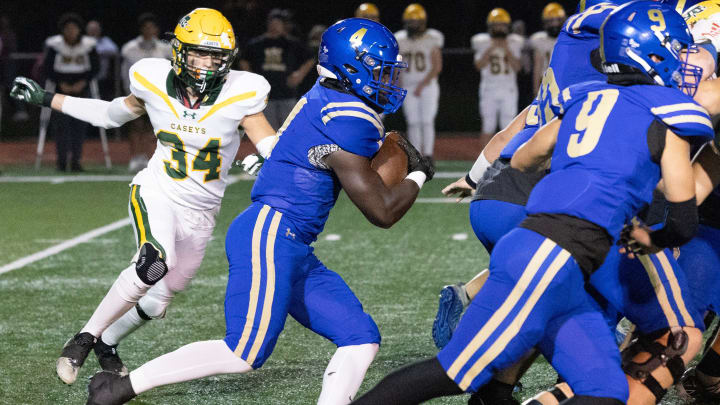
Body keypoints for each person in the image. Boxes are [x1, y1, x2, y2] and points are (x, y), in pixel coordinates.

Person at [351, 2, 713, 404]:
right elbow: (682, 220)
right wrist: (648, 235)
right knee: (458, 370)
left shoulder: (585, 98)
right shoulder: (669, 115)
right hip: (554, 252)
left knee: (604, 389)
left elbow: (523, 156)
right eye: (677, 51)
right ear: (653, 54)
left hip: (560, 261)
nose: (683, 62)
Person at [80, 17, 434, 405]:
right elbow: (382, 211)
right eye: (380, 71)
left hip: (293, 241)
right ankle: (119, 387)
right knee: (244, 352)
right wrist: (417, 172)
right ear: (353, 67)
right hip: (272, 232)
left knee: (360, 337)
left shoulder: (329, 96)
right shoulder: (348, 117)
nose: (388, 80)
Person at [11, 7, 277, 386]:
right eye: (200, 53)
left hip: (202, 210)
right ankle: (83, 339)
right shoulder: (151, 79)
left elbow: (270, 144)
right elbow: (109, 114)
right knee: (154, 261)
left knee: (157, 301)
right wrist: (47, 98)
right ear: (180, 52)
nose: (207, 64)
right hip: (158, 191)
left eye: (216, 56)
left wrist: (264, 159)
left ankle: (108, 343)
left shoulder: (243, 90)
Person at [239, 8, 315, 130]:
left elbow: (311, 58)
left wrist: (299, 75)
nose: (275, 26)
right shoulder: (257, 43)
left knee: (290, 129)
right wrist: (252, 78)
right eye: (272, 23)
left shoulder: (291, 43)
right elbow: (243, 59)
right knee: (268, 131)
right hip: (265, 95)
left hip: (287, 92)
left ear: (283, 25)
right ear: (268, 24)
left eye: (278, 23)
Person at [43, 13, 99, 172]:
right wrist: (61, 83)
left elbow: (95, 68)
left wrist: (83, 82)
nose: (71, 32)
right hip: (60, 90)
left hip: (81, 89)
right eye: (67, 29)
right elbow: (47, 68)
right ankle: (61, 162)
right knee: (61, 126)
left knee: (79, 126)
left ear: (79, 30)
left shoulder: (88, 45)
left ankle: (76, 161)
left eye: (74, 29)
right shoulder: (55, 45)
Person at [120, 12, 172, 173]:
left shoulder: (165, 49)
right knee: (136, 127)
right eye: (145, 27)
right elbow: (124, 73)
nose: (149, 30)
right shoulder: (130, 49)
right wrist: (127, 92)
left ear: (156, 29)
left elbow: (172, 72)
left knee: (153, 128)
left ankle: (151, 159)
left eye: (152, 27)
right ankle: (135, 158)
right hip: (136, 94)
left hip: (159, 96)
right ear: (141, 29)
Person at [395, 3, 443, 161]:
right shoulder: (400, 39)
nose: (413, 24)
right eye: (411, 21)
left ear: (423, 22)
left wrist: (422, 84)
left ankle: (428, 155)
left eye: (416, 21)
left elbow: (437, 66)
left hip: (428, 85)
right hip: (408, 85)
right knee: (413, 122)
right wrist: (399, 84)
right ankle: (416, 155)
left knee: (427, 121)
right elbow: (398, 67)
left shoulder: (432, 38)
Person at [472, 8, 524, 149]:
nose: (499, 28)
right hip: (489, 89)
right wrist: (491, 48)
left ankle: (506, 162)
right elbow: (479, 65)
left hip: (508, 89)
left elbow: (518, 67)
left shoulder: (514, 42)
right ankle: (483, 162)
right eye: (496, 25)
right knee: (488, 126)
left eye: (502, 25)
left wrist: (506, 49)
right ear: (490, 26)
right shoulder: (483, 41)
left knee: (509, 127)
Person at [529, 3, 565, 96]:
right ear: (545, 23)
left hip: (566, 83)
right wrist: (535, 90)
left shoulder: (569, 38)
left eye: (557, 20)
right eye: (551, 21)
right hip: (546, 84)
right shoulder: (539, 40)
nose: (554, 24)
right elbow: (537, 66)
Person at [85, 20, 118, 100]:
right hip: (86, 80)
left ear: (100, 30)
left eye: (95, 29)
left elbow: (114, 50)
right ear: (86, 30)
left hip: (102, 80)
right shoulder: (83, 41)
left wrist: (93, 50)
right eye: (91, 29)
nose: (93, 32)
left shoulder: (105, 40)